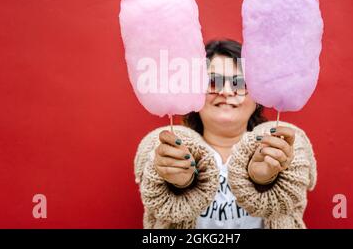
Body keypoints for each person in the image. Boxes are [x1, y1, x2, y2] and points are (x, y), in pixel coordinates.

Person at [134, 39, 317, 229]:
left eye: (240, 83)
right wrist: (179, 185)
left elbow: (287, 198)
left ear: (258, 95)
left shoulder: (286, 147)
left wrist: (265, 181)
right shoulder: (164, 150)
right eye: (213, 81)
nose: (227, 91)